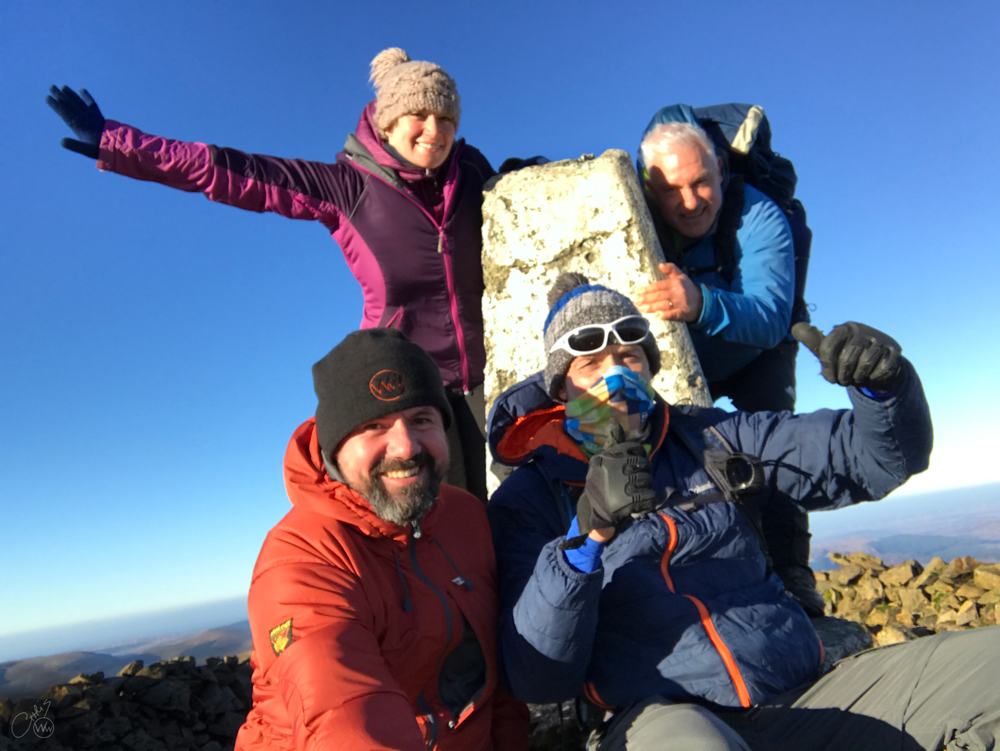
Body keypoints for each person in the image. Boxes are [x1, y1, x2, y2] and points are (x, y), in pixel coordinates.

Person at [487, 274, 999, 749]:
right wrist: (589, 532)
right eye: (590, 365)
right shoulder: (530, 498)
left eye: (630, 356)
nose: (616, 376)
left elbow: (877, 458)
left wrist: (883, 388)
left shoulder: (714, 438)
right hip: (667, 715)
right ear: (561, 388)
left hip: (809, 691)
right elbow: (539, 673)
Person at [46, 47, 494, 500]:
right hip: (407, 390)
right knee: (444, 523)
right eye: (419, 114)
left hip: (487, 374)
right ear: (388, 122)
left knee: (512, 512)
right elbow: (230, 171)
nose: (434, 131)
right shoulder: (348, 187)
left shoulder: (470, 171)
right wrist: (118, 144)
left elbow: (511, 195)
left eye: (446, 118)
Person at [235, 328, 528, 751]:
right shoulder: (302, 561)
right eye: (374, 426)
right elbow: (346, 721)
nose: (405, 446)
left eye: (421, 420)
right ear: (335, 448)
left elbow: (494, 677)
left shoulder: (463, 516)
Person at [634, 119, 820, 613]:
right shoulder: (632, 211)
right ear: (649, 185)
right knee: (676, 451)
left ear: (720, 169)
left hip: (757, 347)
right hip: (685, 351)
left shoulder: (759, 216)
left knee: (776, 438)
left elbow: (770, 318)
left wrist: (701, 305)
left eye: (700, 183)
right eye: (672, 189)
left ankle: (792, 571)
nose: (690, 202)